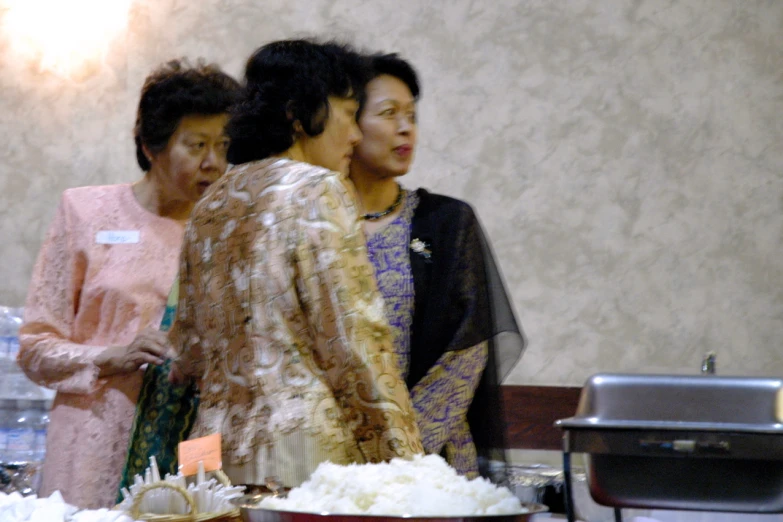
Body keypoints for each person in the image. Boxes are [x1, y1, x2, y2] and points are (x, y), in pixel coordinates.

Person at [166, 39, 423, 489]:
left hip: (207, 455)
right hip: (298, 450)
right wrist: (406, 462)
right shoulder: (317, 188)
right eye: (347, 114)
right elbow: (354, 338)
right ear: (300, 114)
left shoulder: (211, 201)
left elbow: (186, 350)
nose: (356, 135)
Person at [18, 59, 240, 508]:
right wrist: (110, 356)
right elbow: (35, 348)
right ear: (151, 146)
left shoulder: (228, 230)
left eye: (223, 145)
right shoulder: (84, 212)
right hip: (92, 441)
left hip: (190, 442)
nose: (213, 162)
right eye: (197, 144)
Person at [348, 53, 526, 479]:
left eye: (411, 114)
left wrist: (398, 455)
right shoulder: (313, 226)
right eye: (389, 113)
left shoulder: (446, 221)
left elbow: (467, 350)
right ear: (346, 126)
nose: (406, 127)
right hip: (332, 466)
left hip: (432, 464)